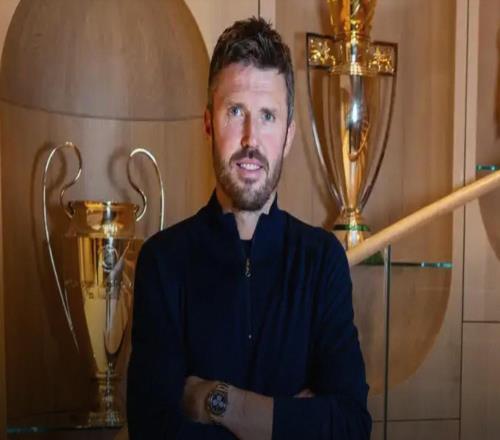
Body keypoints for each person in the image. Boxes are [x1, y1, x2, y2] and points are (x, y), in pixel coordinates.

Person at [127, 17, 371, 439]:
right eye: (235, 111)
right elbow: (153, 431)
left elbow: (350, 426)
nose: (250, 139)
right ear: (208, 124)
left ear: (289, 136)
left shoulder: (321, 261)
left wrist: (220, 402)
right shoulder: (163, 262)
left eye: (268, 116)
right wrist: (294, 420)